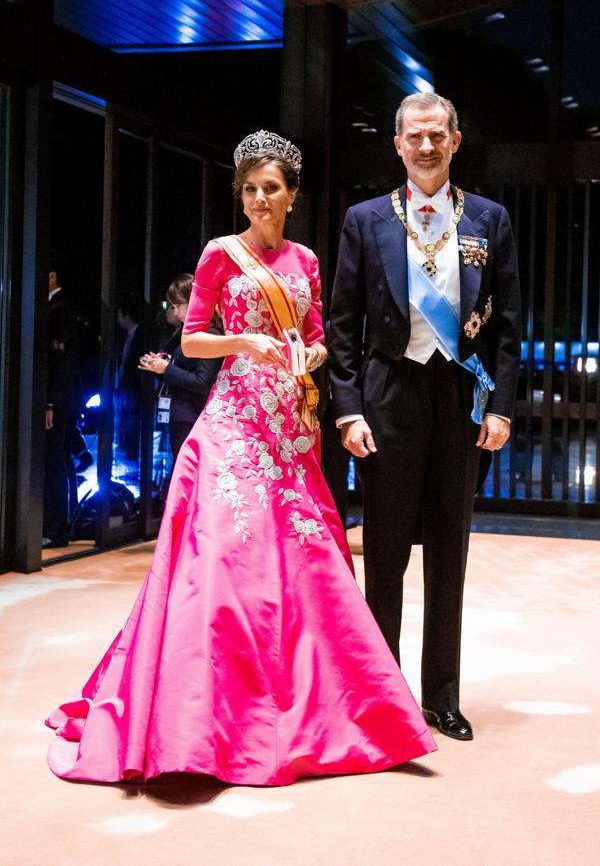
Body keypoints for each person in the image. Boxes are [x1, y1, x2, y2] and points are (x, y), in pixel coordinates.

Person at [45, 130, 435, 786]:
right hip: (232, 425)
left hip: (291, 429)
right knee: (223, 560)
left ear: (292, 195)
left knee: (306, 566)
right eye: (249, 189)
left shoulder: (308, 262)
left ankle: (314, 711)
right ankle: (203, 720)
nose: (258, 200)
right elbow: (192, 341)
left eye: (271, 189)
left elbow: (315, 342)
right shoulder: (219, 256)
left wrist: (306, 357)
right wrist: (245, 342)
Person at [327, 93, 521, 741]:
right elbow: (343, 325)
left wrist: (501, 407)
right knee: (383, 558)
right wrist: (348, 410)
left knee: (449, 553)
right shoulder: (365, 220)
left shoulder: (490, 221)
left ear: (456, 142)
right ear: (398, 144)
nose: (428, 146)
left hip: (461, 402)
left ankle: (442, 696)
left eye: (438, 135)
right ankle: (384, 698)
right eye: (416, 136)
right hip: (387, 399)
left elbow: (510, 331)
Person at [138, 274, 223, 460]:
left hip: (194, 418)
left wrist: (166, 369)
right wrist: (159, 366)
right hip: (183, 415)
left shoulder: (208, 332)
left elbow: (203, 382)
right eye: (173, 306)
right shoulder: (187, 331)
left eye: (178, 305)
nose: (175, 312)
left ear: (194, 302)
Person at [43, 268, 83, 548]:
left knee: (54, 461)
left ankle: (56, 529)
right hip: (67, 396)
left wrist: (50, 402)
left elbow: (60, 362)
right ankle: (62, 525)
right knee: (61, 460)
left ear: (53, 275)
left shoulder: (59, 310)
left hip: (59, 398)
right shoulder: (64, 308)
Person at [115, 295, 145, 462]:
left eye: (119, 315)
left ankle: (132, 452)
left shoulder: (140, 335)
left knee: (131, 418)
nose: (118, 320)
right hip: (128, 386)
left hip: (134, 387)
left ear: (127, 316)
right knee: (127, 417)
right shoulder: (128, 336)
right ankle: (129, 450)